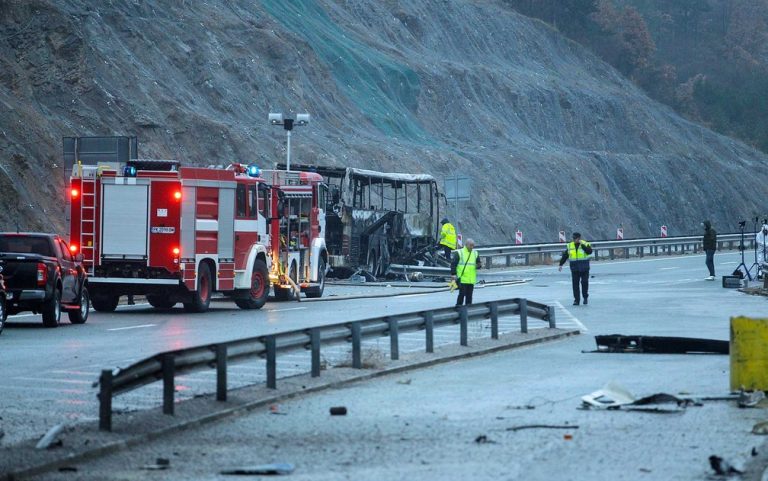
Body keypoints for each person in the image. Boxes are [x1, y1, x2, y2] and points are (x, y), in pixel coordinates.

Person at [558, 232, 593, 305]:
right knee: (575, 285)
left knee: (584, 283)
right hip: (575, 268)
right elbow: (565, 255)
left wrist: (582, 245)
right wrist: (561, 264)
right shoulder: (570, 245)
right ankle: (576, 300)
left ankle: (585, 297)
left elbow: (589, 252)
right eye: (573, 238)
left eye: (575, 238)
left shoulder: (585, 244)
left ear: (579, 238)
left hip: (584, 268)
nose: (574, 240)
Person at [451, 238, 481, 306]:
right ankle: (458, 307)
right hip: (462, 279)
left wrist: (478, 266)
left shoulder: (475, 253)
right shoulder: (459, 253)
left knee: (469, 296)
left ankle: (468, 310)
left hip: (471, 279)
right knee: (461, 295)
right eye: (471, 245)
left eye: (473, 245)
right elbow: (453, 264)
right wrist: (453, 274)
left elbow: (478, 263)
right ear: (466, 245)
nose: (472, 247)